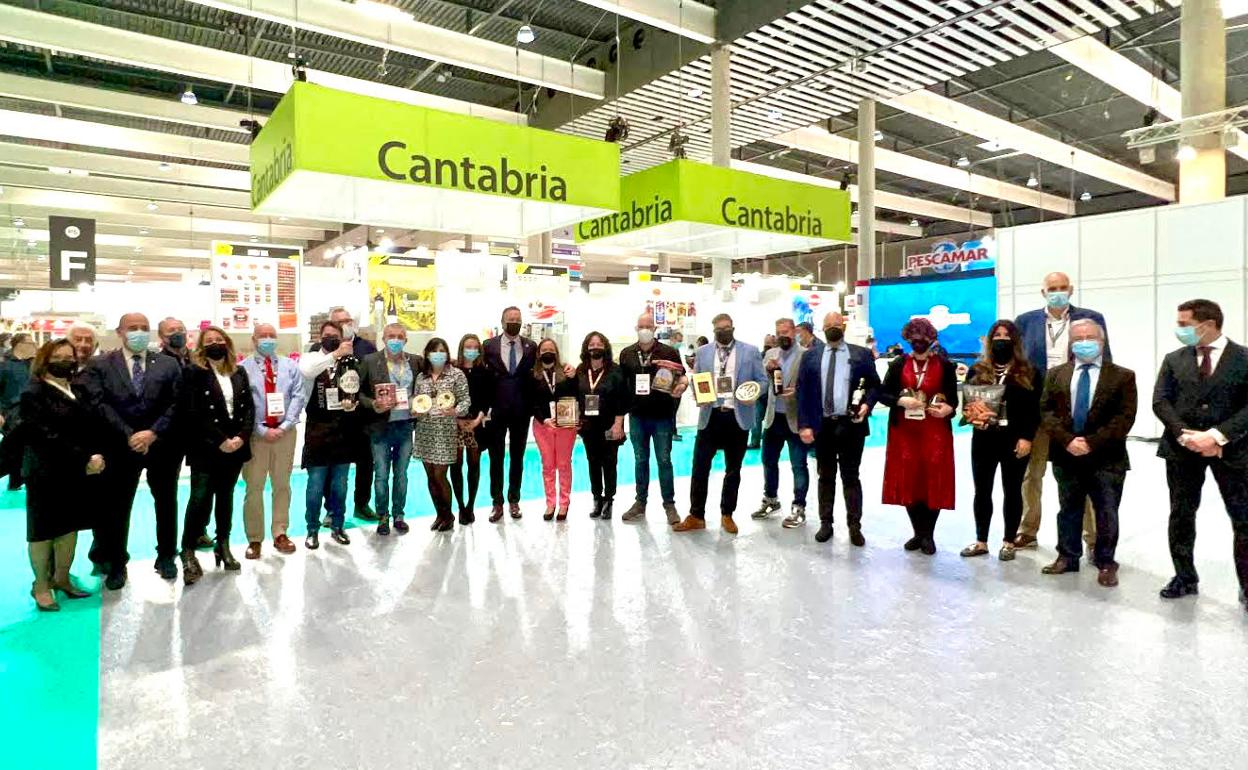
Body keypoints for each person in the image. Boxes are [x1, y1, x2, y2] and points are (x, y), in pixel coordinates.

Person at [1154, 299, 1248, 609]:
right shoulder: (1174, 359)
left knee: (1243, 518)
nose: (1179, 329)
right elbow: (1161, 401)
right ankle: (1184, 577)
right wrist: (1183, 434)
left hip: (1232, 451)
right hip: (1182, 450)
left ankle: (1247, 585)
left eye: (1184, 324)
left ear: (1206, 325)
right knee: (1181, 514)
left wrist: (1217, 436)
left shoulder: (1244, 358)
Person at [83, 312, 183, 588]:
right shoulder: (100, 364)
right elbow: (99, 403)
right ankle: (117, 562)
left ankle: (166, 556)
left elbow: (177, 403)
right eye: (132, 328)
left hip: (162, 445)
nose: (138, 332)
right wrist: (129, 435)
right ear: (120, 332)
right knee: (117, 507)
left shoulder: (167, 364)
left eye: (144, 328)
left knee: (166, 503)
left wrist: (152, 432)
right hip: (119, 446)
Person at [1013, 272, 1110, 550]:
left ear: (1071, 290)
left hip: (1075, 407)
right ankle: (1028, 530)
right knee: (1032, 474)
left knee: (1084, 475)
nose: (1057, 292)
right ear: (1043, 292)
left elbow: (1106, 358)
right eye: (1052, 288)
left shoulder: (1091, 318)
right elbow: (1019, 365)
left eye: (1062, 288)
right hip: (1038, 409)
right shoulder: (1026, 321)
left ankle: (1092, 538)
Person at [1038, 320, 1136, 586]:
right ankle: (1067, 557)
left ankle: (1105, 561)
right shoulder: (1056, 374)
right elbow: (1046, 412)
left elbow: (1124, 418)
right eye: (1078, 338)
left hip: (1106, 457)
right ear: (1070, 343)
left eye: (1090, 337)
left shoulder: (1123, 376)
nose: (1084, 342)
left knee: (1106, 512)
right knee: (1068, 509)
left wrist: (1090, 442)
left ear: (1102, 341)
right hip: (1065, 454)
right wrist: (1068, 441)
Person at [20, 339, 109, 611]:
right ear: (45, 360)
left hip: (76, 472)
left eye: (69, 357)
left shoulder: (76, 389)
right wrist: (85, 458)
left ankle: (62, 577)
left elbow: (89, 427)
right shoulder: (33, 392)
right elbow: (43, 434)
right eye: (58, 356)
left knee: (69, 527)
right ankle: (41, 585)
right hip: (46, 472)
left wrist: (96, 455)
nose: (65, 361)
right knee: (43, 531)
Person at [674, 313, 765, 534]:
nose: (723, 332)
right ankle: (696, 515)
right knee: (699, 467)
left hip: (737, 416)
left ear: (733, 328)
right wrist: (698, 393)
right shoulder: (703, 352)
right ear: (714, 331)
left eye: (727, 328)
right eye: (718, 329)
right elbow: (698, 379)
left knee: (733, 470)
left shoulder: (750, 351)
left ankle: (727, 514)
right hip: (710, 416)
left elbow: (763, 381)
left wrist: (755, 392)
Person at [795, 311, 880, 544]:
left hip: (851, 424)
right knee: (825, 476)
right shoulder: (811, 356)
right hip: (822, 426)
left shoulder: (861, 354)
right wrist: (804, 424)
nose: (833, 327)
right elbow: (802, 393)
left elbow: (874, 386)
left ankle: (854, 526)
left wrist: (867, 406)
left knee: (851, 476)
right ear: (822, 328)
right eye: (828, 324)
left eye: (836, 323)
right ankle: (826, 523)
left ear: (843, 326)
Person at [959, 320, 1041, 561]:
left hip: (1014, 440)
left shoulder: (1029, 371)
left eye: (1006, 335)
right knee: (982, 491)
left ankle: (1008, 541)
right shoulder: (977, 370)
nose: (1001, 339)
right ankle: (981, 540)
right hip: (983, 439)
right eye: (997, 334)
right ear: (990, 339)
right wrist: (972, 417)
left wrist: (1027, 437)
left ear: (1015, 340)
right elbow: (969, 405)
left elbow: (1034, 410)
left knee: (1012, 491)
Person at [179, 327, 254, 583]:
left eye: (219, 340)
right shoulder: (193, 373)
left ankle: (223, 544)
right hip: (206, 447)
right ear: (202, 346)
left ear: (227, 343)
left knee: (226, 498)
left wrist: (241, 437)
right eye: (209, 341)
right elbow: (192, 413)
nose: (215, 344)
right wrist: (220, 440)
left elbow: (248, 409)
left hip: (235, 447)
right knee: (199, 499)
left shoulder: (239, 371)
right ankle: (187, 550)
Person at [878, 318, 958, 555]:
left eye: (923, 339)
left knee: (933, 480)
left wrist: (948, 409)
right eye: (914, 339)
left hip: (935, 432)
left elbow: (953, 399)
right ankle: (918, 532)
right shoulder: (898, 364)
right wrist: (900, 401)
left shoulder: (944, 365)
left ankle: (928, 534)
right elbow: (883, 394)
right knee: (909, 481)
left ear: (931, 339)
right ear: (908, 339)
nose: (919, 343)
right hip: (904, 432)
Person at [240, 323, 305, 559]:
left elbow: (298, 395)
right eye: (263, 336)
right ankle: (254, 538)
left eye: (272, 336)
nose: (268, 339)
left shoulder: (290, 366)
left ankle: (280, 532)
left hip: (285, 435)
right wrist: (259, 429)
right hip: (256, 437)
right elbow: (242, 403)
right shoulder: (242, 369)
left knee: (282, 485)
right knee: (254, 487)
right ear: (254, 339)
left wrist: (286, 425)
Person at [618, 313, 688, 524]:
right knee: (640, 460)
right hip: (637, 416)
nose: (645, 329)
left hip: (662, 416)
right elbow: (621, 385)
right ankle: (640, 502)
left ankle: (669, 505)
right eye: (641, 326)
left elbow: (682, 376)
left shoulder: (668, 352)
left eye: (649, 326)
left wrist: (682, 386)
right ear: (635, 328)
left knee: (664, 460)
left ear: (655, 328)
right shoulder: (627, 354)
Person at [298, 320, 358, 549]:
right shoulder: (312, 357)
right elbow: (307, 371)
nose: (331, 337)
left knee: (340, 484)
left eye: (335, 335)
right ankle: (312, 528)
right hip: (317, 430)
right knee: (315, 484)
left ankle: (337, 525)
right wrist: (334, 354)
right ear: (320, 337)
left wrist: (353, 404)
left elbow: (356, 386)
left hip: (343, 429)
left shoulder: (350, 361)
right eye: (327, 335)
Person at [358, 323, 423, 536]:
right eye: (391, 336)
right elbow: (358, 394)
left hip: (405, 425)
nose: (395, 340)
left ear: (406, 340)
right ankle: (382, 516)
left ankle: (399, 514)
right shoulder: (370, 361)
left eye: (400, 336)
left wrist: (420, 407)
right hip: (380, 427)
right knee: (381, 475)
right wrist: (373, 405)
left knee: (402, 474)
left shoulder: (415, 361)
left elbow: (422, 390)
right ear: (383, 339)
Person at [481, 307, 537, 522]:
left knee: (517, 457)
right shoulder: (489, 346)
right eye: (510, 319)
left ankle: (514, 499)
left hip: (521, 411)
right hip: (496, 411)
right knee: (496, 458)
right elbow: (481, 376)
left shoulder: (531, 346)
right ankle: (497, 502)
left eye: (517, 319)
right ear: (502, 321)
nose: (514, 322)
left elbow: (539, 373)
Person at [752, 318, 811, 524]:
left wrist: (798, 391)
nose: (782, 336)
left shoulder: (806, 355)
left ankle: (799, 506)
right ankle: (771, 499)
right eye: (779, 332)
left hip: (796, 419)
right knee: (768, 461)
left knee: (798, 465)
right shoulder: (770, 354)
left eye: (786, 331)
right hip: (773, 418)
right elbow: (763, 384)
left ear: (794, 331)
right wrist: (767, 372)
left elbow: (813, 387)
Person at [412, 337, 470, 532]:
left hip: (445, 431)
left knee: (440, 475)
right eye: (434, 351)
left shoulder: (456, 375)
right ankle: (440, 514)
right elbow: (416, 400)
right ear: (427, 354)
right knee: (430, 475)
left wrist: (455, 411)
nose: (438, 354)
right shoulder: (422, 377)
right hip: (424, 430)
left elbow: (465, 401)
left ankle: (449, 515)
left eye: (442, 350)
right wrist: (415, 410)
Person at [329, 306, 378, 522]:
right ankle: (332, 509)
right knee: (334, 467)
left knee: (365, 463)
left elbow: (373, 381)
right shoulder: (324, 347)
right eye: (339, 322)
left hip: (362, 418)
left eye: (347, 320)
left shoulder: (367, 347)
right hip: (334, 419)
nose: (345, 325)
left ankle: (362, 504)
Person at [575, 332, 627, 520]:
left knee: (610, 462)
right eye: (591, 344)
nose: (595, 347)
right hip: (588, 427)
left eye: (599, 344)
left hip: (609, 426)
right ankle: (597, 498)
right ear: (586, 348)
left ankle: (609, 500)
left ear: (605, 347)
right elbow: (576, 396)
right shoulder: (581, 370)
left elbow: (622, 398)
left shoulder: (615, 370)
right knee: (593, 463)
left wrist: (618, 424)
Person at [528, 338, 579, 521]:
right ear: (538, 353)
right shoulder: (532, 374)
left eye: (551, 349)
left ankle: (564, 503)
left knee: (564, 464)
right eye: (544, 349)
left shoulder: (566, 371)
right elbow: (530, 402)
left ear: (556, 352)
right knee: (548, 465)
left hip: (566, 426)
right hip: (543, 426)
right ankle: (550, 503)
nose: (547, 352)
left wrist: (574, 376)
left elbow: (575, 395)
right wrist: (544, 419)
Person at [450, 334, 492, 525]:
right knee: (456, 465)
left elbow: (487, 398)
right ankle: (460, 506)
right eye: (468, 346)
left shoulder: (485, 371)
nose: (472, 350)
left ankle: (471, 505)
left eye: (475, 347)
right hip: (455, 423)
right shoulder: (453, 370)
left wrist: (477, 420)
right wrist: (457, 418)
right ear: (461, 348)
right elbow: (448, 397)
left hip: (477, 424)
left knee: (474, 465)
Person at [0, 333, 36, 490]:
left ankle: (16, 481)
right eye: (30, 342)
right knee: (11, 449)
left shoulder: (33, 365)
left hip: (30, 411)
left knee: (21, 449)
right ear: (19, 344)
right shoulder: (4, 365)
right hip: (11, 413)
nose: (34, 345)